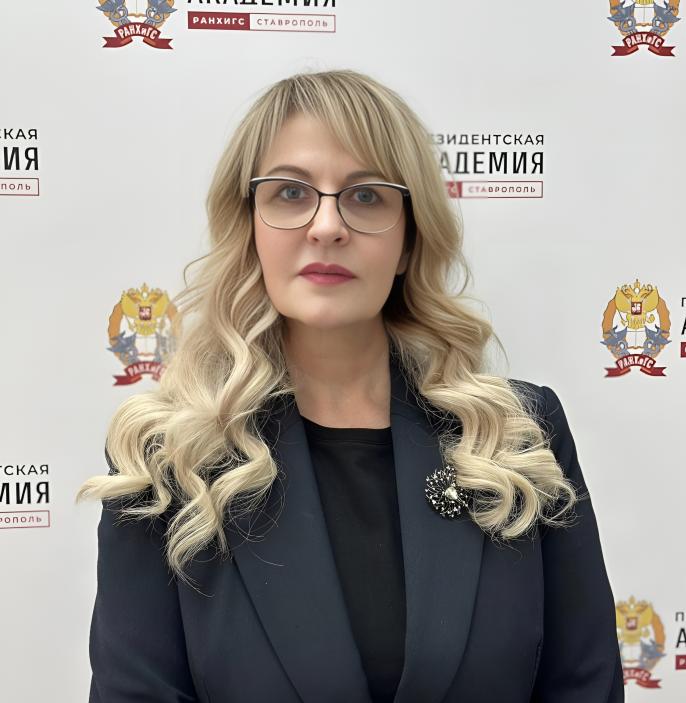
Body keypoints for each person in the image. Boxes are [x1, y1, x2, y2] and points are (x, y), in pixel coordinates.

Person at [76, 68, 624, 703]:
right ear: (249, 226)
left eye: (366, 196)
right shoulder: (167, 455)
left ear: (409, 238)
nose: (327, 226)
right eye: (290, 193)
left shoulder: (518, 434)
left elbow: (584, 686)